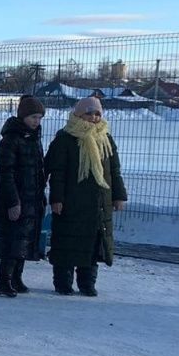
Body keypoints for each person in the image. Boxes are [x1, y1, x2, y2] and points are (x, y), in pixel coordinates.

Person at [45, 97, 127, 297]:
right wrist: (57, 199)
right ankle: (63, 282)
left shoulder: (105, 138)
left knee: (92, 245)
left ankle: (87, 283)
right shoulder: (65, 138)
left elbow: (114, 171)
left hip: (98, 203)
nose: (94, 117)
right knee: (67, 243)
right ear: (78, 115)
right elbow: (57, 172)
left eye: (97, 113)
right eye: (89, 113)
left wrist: (118, 196)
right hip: (71, 202)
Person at [0, 96, 48, 298]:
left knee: (24, 239)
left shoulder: (34, 139)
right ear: (23, 116)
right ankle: (3, 279)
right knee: (12, 239)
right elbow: (5, 173)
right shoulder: (11, 140)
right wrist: (13, 201)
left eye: (40, 118)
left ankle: (16, 276)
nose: (36, 121)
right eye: (33, 117)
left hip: (31, 198)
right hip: (15, 199)